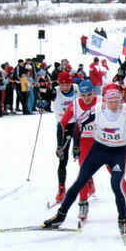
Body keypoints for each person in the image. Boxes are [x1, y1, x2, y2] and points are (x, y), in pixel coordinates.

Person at [43, 84, 126, 241]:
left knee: (116, 184)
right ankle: (60, 216)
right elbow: (78, 124)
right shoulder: (97, 109)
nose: (114, 105)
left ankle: (123, 220)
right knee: (80, 181)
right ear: (105, 100)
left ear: (121, 100)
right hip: (98, 150)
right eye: (110, 101)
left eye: (117, 101)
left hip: (118, 153)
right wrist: (75, 145)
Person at [52, 71, 77, 203]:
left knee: (82, 156)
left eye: (68, 84)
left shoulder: (78, 89)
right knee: (62, 157)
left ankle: (89, 182)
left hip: (78, 126)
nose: (65, 87)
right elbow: (45, 97)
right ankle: (61, 187)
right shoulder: (55, 91)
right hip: (63, 126)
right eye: (62, 85)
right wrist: (43, 101)